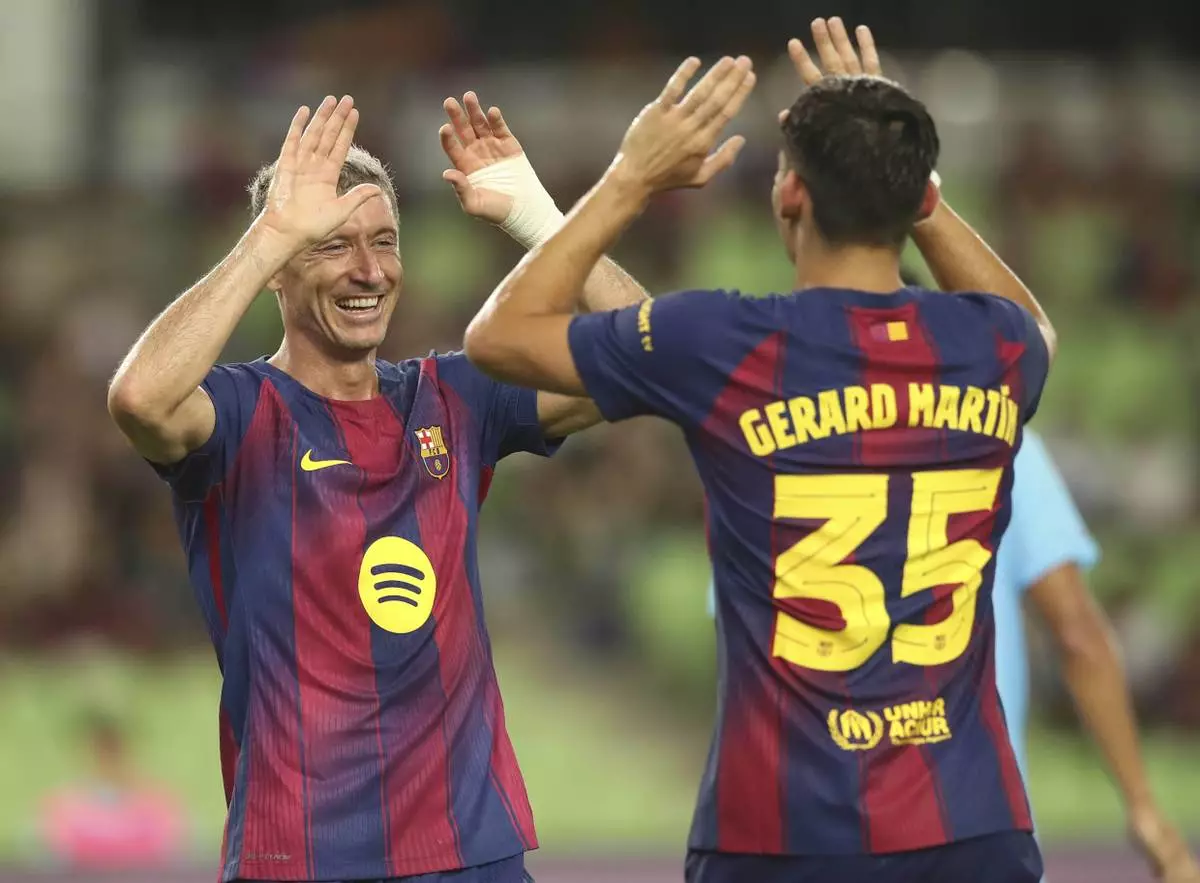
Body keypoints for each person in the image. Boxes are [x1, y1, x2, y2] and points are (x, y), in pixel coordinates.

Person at [462, 17, 1057, 883]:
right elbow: (1037, 326)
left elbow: (499, 337)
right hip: (973, 828)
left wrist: (630, 177)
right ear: (920, 198)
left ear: (789, 196)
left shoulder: (729, 339)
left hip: (782, 835)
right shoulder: (995, 350)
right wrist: (903, 176)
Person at [107, 93, 648, 882]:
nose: (369, 270)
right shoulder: (236, 414)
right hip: (299, 856)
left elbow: (648, 358)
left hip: (473, 851)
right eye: (332, 247)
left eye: (384, 242)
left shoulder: (458, 396)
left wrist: (541, 218)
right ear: (279, 269)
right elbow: (138, 398)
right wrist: (268, 235)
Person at [993, 430, 1200, 882]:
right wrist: (1148, 815)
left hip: (824, 813)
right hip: (977, 816)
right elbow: (1077, 634)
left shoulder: (805, 429)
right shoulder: (998, 429)